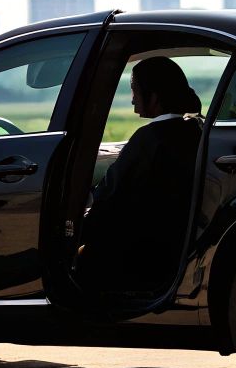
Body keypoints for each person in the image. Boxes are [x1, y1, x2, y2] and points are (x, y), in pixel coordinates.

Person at [75, 55, 203, 294]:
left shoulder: (149, 138)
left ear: (154, 96)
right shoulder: (193, 131)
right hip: (172, 244)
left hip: (138, 251)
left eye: (135, 90)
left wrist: (76, 231)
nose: (132, 99)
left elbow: (109, 195)